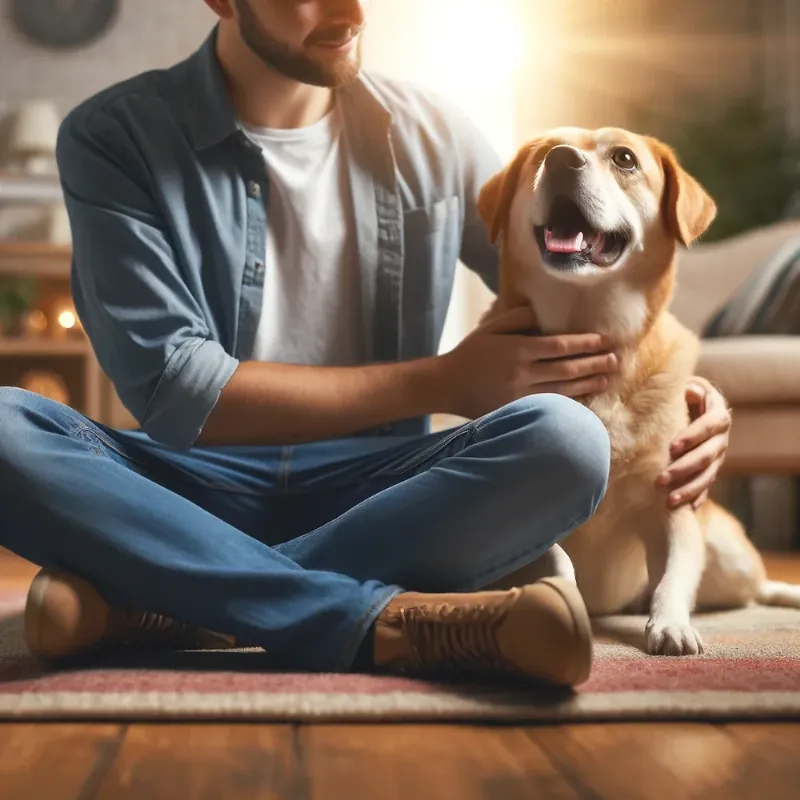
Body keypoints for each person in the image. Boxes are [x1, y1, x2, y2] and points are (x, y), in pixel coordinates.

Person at [0, 0, 732, 685]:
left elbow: (586, 272)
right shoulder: (112, 136)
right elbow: (177, 391)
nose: (350, 10)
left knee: (569, 442)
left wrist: (684, 395)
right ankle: (378, 618)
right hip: (187, 490)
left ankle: (160, 603)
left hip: (394, 494)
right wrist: (445, 382)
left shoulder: (436, 136)